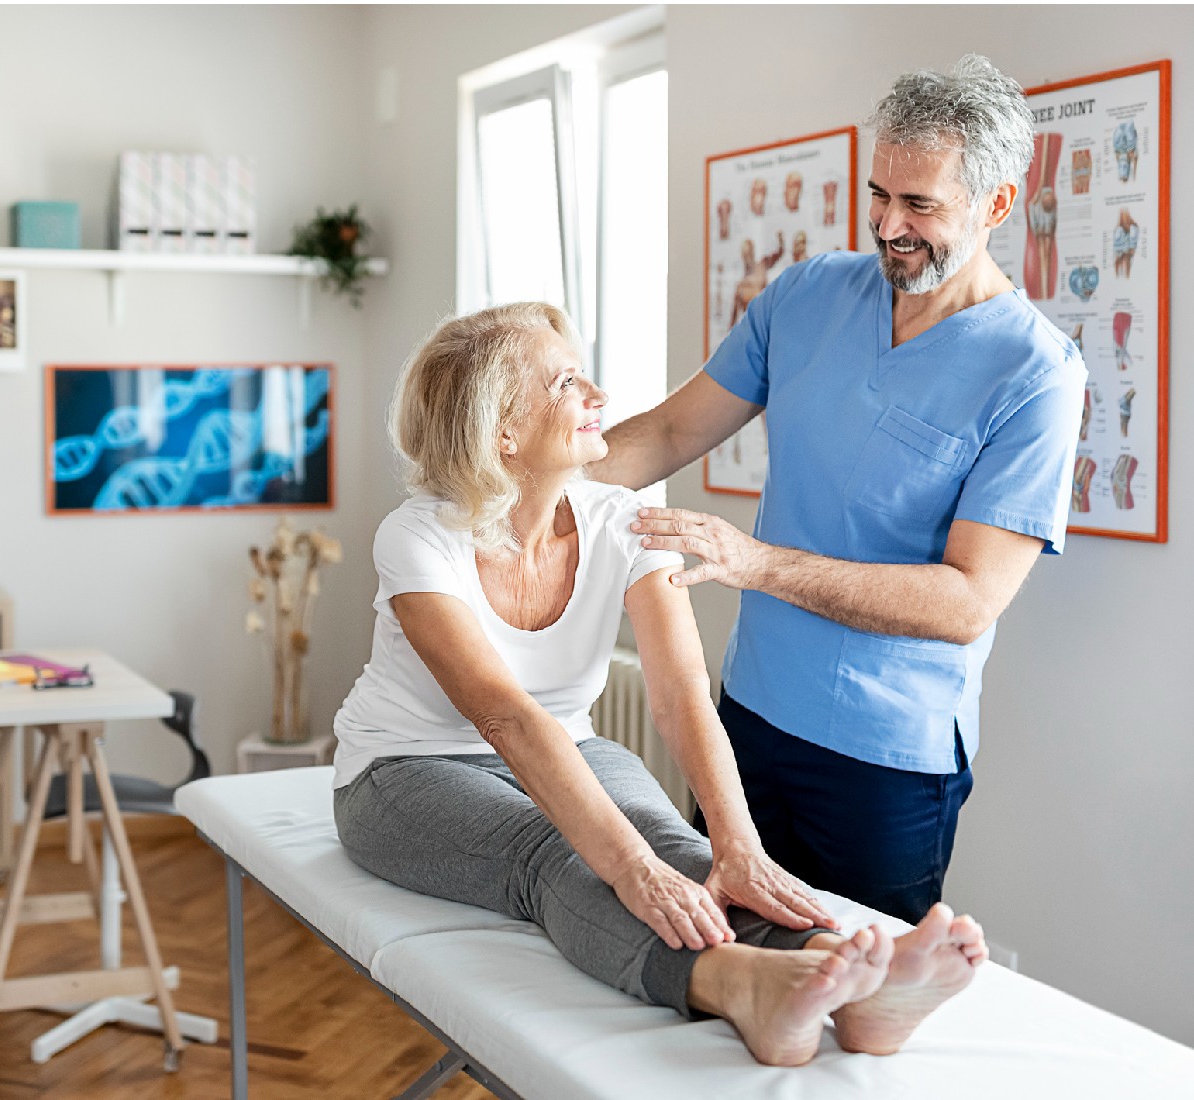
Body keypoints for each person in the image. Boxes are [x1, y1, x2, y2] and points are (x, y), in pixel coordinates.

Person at [332, 302, 989, 1067]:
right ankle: (743, 987)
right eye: (566, 382)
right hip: (403, 771)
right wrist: (629, 869)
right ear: (502, 433)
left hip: (566, 744)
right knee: (562, 851)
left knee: (677, 844)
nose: (599, 397)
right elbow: (505, 717)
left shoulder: (628, 520)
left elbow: (681, 697)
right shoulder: (417, 537)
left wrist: (736, 846)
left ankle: (847, 978)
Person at [592, 55, 1086, 924]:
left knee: (854, 1013)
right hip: (743, 721)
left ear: (997, 205)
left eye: (921, 205)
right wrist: (511, 489)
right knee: (717, 966)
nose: (889, 225)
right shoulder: (809, 294)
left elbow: (970, 600)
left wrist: (756, 563)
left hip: (884, 766)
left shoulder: (1036, 376)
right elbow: (670, 432)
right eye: (878, 195)